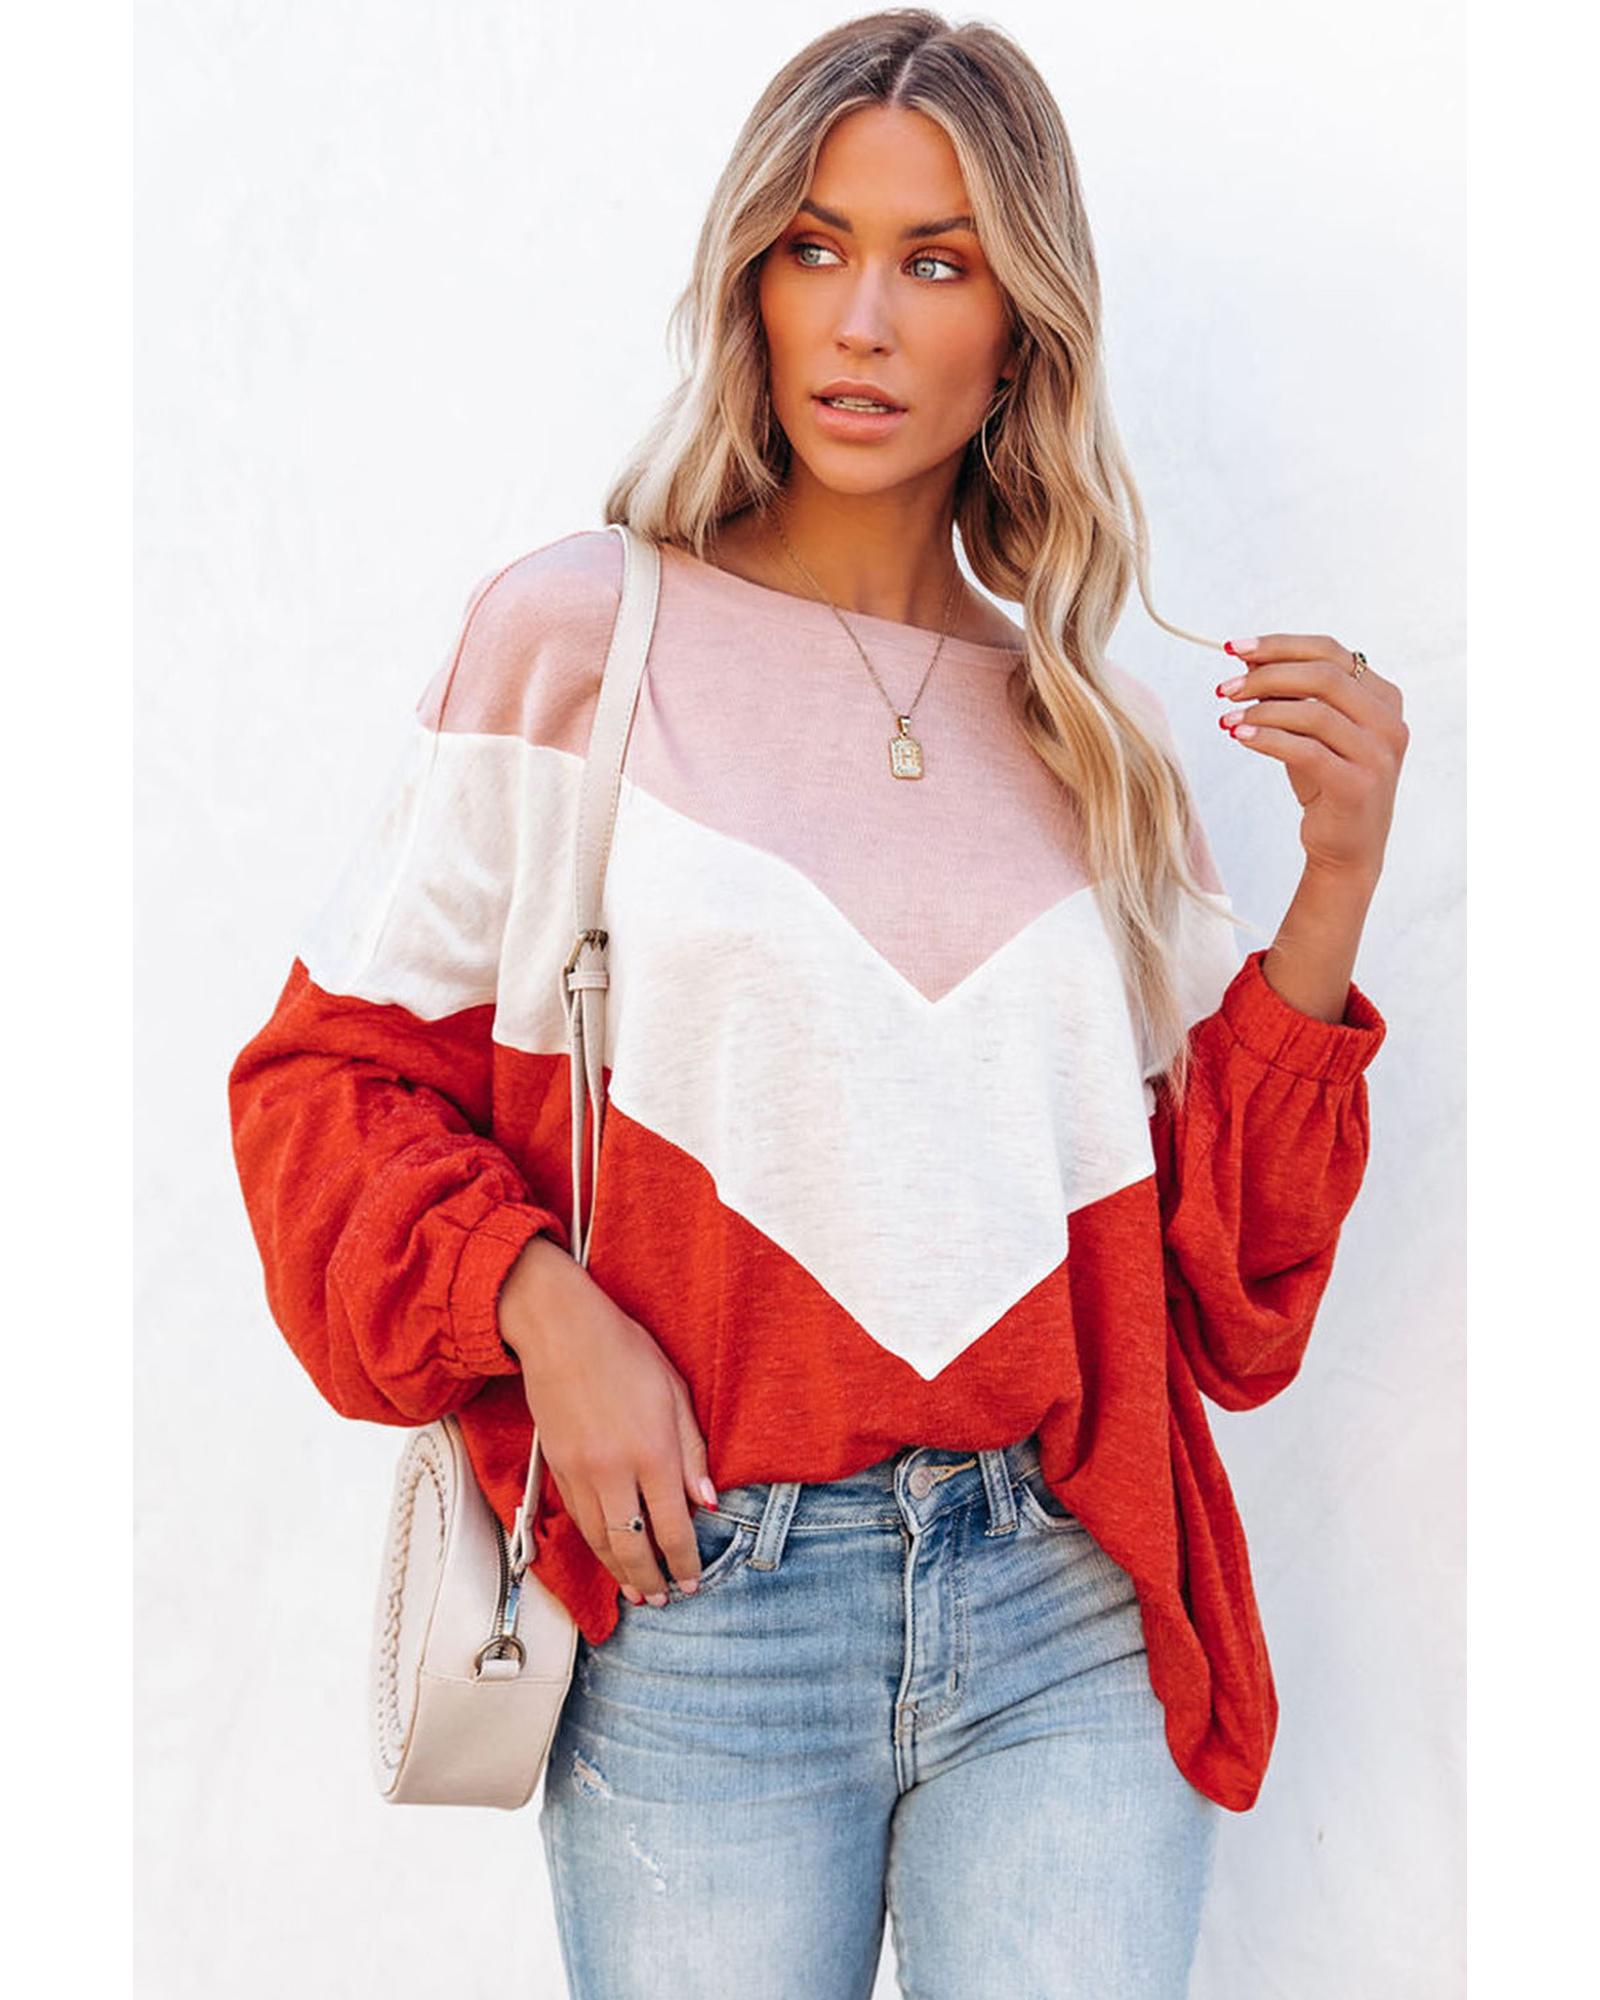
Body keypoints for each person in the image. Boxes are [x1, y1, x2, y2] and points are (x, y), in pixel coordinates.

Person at [227, 10, 1405, 1995]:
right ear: (751, 286)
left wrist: (1339, 882)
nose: (862, 319)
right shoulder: (579, 642)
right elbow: (317, 1089)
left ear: (1017, 331)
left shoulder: (1090, 736)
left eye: (936, 261)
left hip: (1061, 1605)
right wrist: (540, 1304)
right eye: (815, 246)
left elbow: (1223, 1296)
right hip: (703, 1605)